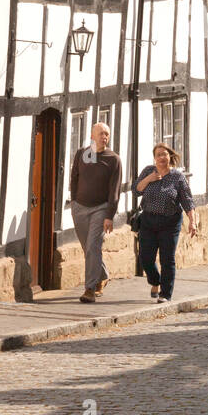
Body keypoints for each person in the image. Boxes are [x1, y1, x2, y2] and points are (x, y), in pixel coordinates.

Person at [134, 143, 198, 303]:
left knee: (167, 258)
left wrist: (193, 221)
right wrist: (150, 179)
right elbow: (136, 190)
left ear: (170, 156)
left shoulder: (177, 177)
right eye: (158, 155)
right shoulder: (149, 171)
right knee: (145, 258)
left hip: (170, 222)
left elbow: (187, 201)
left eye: (164, 154)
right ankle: (155, 280)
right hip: (148, 220)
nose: (162, 157)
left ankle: (165, 293)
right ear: (154, 158)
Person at [68, 122, 122, 304]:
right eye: (100, 133)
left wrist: (109, 215)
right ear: (92, 135)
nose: (104, 137)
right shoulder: (83, 154)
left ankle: (89, 289)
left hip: (100, 208)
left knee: (92, 246)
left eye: (106, 134)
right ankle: (103, 274)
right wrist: (74, 200)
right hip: (79, 208)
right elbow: (74, 177)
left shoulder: (113, 159)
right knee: (89, 248)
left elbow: (114, 191)